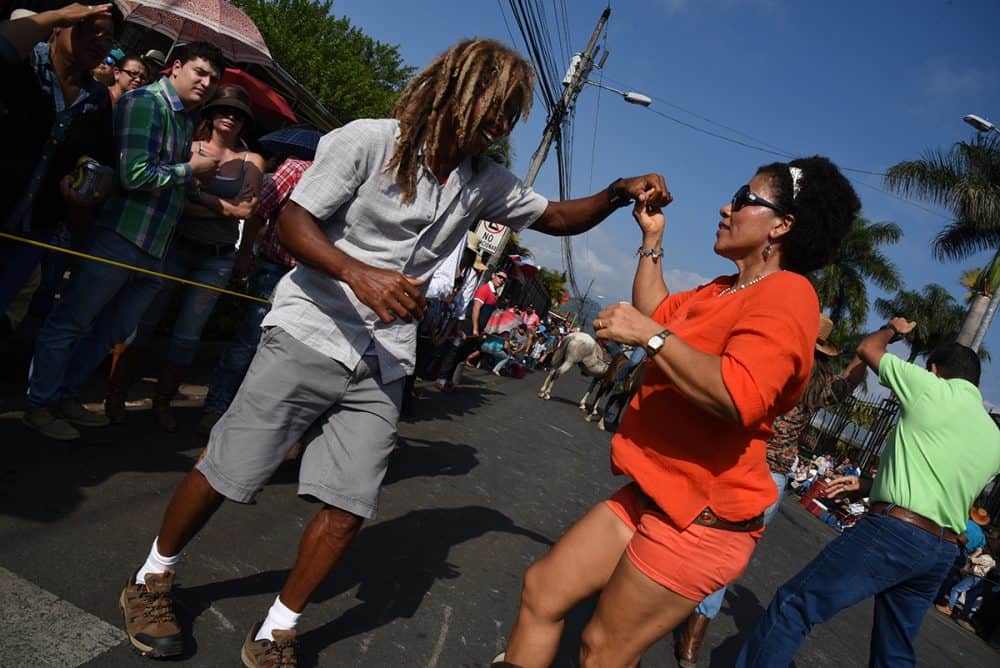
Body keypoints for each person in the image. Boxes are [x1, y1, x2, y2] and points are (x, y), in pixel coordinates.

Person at [118, 37, 670, 666]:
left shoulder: (483, 182)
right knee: (230, 468)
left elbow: (559, 218)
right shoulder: (369, 140)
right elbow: (295, 222)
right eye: (493, 103)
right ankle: (152, 577)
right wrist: (360, 274)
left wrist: (621, 191)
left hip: (384, 356)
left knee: (351, 504)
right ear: (454, 89)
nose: (500, 120)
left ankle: (277, 628)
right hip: (313, 326)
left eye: (510, 111)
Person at [496, 156, 859, 667]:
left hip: (700, 524)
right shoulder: (722, 289)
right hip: (657, 494)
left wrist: (649, 336)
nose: (726, 206)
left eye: (743, 198)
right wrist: (652, 239)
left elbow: (740, 395)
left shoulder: (789, 295)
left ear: (782, 225)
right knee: (542, 591)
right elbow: (656, 309)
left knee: (602, 650)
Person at [736, 339, 1000, 667]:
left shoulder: (932, 388)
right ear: (976, 383)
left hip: (895, 534)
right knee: (894, 651)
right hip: (940, 551)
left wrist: (892, 329)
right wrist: (869, 485)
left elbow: (867, 349)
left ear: (933, 370)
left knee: (796, 605)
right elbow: (941, 483)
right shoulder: (994, 435)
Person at [21, 41, 223, 441]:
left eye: (213, 79)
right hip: (118, 237)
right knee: (72, 321)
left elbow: (170, 181)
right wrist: (190, 170)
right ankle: (39, 404)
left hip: (155, 246)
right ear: (175, 67)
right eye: (200, 72)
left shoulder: (184, 119)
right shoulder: (146, 103)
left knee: (109, 332)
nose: (206, 83)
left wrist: (205, 190)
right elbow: (134, 175)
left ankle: (65, 397)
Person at [674, 315, 867, 667]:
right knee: (731, 551)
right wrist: (877, 344)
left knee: (693, 525)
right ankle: (695, 629)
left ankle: (675, 605)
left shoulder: (776, 364)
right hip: (773, 477)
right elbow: (852, 377)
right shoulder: (819, 383)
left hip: (736, 459)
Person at [105, 84, 264, 431]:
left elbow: (247, 209)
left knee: (188, 333)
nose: (230, 118)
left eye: (238, 115)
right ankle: (115, 393)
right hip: (174, 244)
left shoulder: (252, 160)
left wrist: (200, 196)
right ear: (210, 113)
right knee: (143, 321)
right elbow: (178, 200)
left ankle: (162, 402)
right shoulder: (187, 147)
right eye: (224, 110)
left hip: (217, 257)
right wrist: (222, 206)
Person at [0, 1, 114, 333]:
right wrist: (54, 15)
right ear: (62, 24)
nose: (98, 41)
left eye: (108, 37)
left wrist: (91, 186)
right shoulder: (23, 63)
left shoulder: (97, 98)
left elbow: (103, 160)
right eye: (87, 28)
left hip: (34, 231)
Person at [197, 156, 312, 434]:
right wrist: (245, 255)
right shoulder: (296, 169)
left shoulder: (353, 183)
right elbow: (259, 213)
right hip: (275, 268)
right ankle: (217, 407)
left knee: (295, 352)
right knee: (250, 339)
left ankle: (267, 424)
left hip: (313, 278)